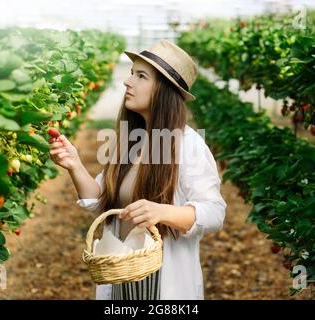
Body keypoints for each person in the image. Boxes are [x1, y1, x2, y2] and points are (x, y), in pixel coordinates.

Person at [49, 39, 227, 300]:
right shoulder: (133, 140)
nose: (128, 82)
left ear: (163, 91)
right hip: (122, 283)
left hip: (163, 287)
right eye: (132, 73)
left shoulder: (188, 145)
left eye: (141, 76)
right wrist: (74, 164)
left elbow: (214, 212)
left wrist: (162, 211)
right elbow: (101, 199)